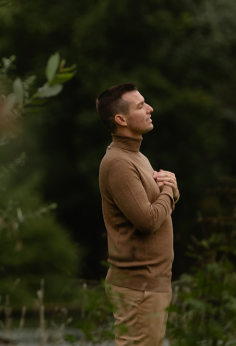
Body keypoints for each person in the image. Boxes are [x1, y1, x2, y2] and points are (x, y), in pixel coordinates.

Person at [96, 83, 180, 346]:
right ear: (121, 119)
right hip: (139, 284)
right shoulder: (119, 163)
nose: (150, 108)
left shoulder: (137, 156)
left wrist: (169, 192)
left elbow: (156, 210)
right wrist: (170, 189)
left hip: (151, 282)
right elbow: (148, 221)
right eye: (141, 105)